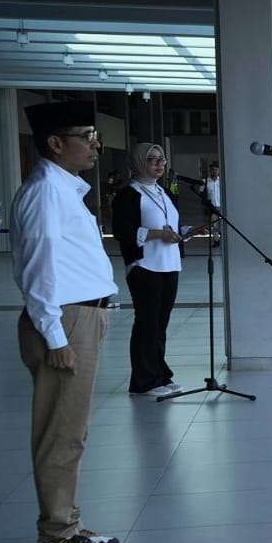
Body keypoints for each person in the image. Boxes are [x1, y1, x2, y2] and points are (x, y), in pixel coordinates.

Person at [12, 101, 122, 543]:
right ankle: (56, 537)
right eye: (86, 135)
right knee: (62, 433)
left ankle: (68, 524)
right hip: (65, 321)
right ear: (56, 143)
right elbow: (37, 270)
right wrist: (55, 337)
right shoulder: (43, 192)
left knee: (71, 430)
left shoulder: (63, 189)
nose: (95, 145)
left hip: (82, 317)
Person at [111, 143, 185, 397]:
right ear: (139, 162)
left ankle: (160, 374)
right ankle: (144, 381)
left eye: (162, 160)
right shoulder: (129, 194)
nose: (159, 164)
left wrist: (177, 234)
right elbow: (122, 232)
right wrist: (157, 234)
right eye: (153, 160)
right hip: (144, 266)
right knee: (147, 323)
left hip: (169, 264)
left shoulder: (162, 192)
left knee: (160, 325)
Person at [203, 162, 223, 247]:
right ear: (210, 171)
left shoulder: (221, 181)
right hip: (212, 207)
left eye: (216, 170)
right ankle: (216, 241)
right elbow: (202, 193)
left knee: (223, 225)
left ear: (218, 171)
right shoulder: (206, 181)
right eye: (212, 170)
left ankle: (223, 240)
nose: (214, 172)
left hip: (222, 206)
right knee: (214, 225)